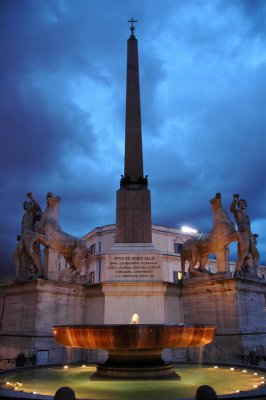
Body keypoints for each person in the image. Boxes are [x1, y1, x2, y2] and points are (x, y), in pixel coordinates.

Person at [13, 192, 42, 279]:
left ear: (31, 205)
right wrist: (20, 237)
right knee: (15, 255)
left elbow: (38, 206)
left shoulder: (32, 211)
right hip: (24, 236)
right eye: (25, 204)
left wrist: (31, 197)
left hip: (30, 234)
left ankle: (40, 271)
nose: (26, 205)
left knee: (30, 251)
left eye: (28, 204)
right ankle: (19, 276)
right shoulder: (24, 216)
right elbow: (24, 227)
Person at [230, 194, 255, 273]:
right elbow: (231, 209)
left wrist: (251, 236)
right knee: (243, 253)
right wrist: (235, 200)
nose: (242, 204)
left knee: (250, 254)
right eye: (240, 203)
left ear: (246, 205)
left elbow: (248, 227)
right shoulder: (238, 211)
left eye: (243, 203)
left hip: (248, 235)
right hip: (242, 234)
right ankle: (237, 270)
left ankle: (246, 270)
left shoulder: (247, 216)